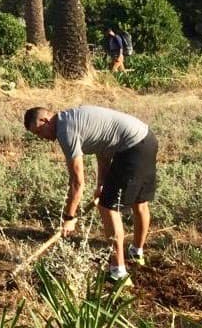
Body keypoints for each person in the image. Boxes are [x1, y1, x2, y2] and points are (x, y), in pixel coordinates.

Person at [23, 105, 158, 285]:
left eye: (39, 133)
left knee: (107, 206)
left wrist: (69, 217)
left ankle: (118, 273)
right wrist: (101, 183)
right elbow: (102, 149)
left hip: (131, 149)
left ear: (44, 121)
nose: (42, 138)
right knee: (139, 202)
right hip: (147, 139)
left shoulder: (65, 131)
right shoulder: (73, 118)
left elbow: (77, 182)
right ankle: (136, 254)